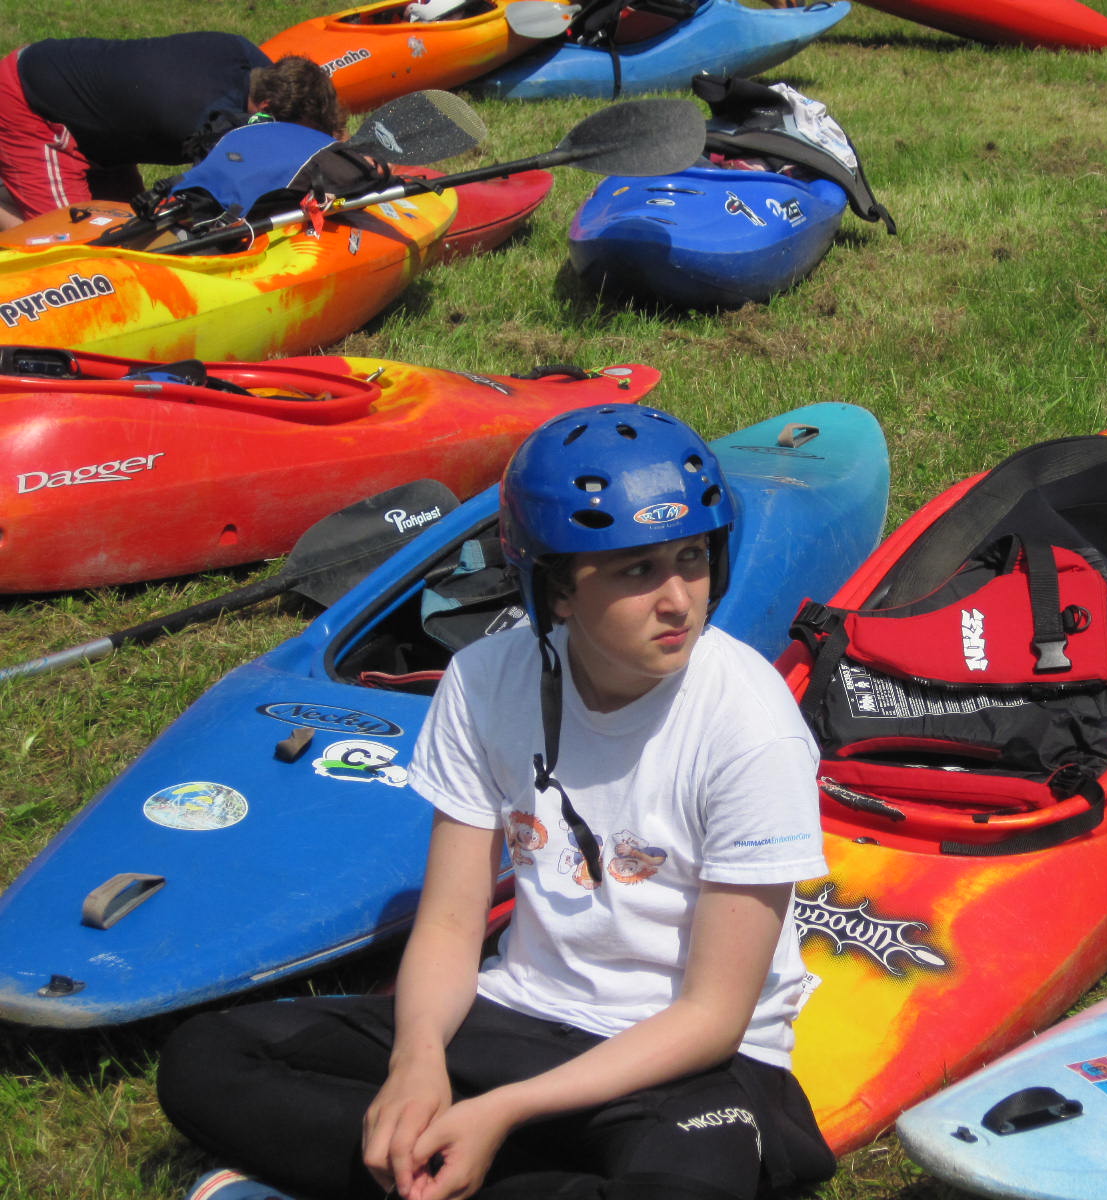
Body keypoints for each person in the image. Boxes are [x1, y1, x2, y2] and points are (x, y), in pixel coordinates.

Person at [157, 403, 837, 1200]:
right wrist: (416, 1062)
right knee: (206, 1057)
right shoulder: (485, 681)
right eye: (636, 570)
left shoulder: (752, 727)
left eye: (692, 558)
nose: (679, 600)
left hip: (682, 1066)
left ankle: (426, 1168)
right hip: (516, 1015)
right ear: (556, 589)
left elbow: (713, 1017)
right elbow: (451, 922)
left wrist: (501, 1111)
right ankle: (474, 1170)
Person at [0, 32, 345, 230]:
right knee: (79, 245)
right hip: (33, 107)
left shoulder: (251, 61)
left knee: (132, 231)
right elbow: (206, 205)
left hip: (98, 118)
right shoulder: (201, 123)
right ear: (266, 108)